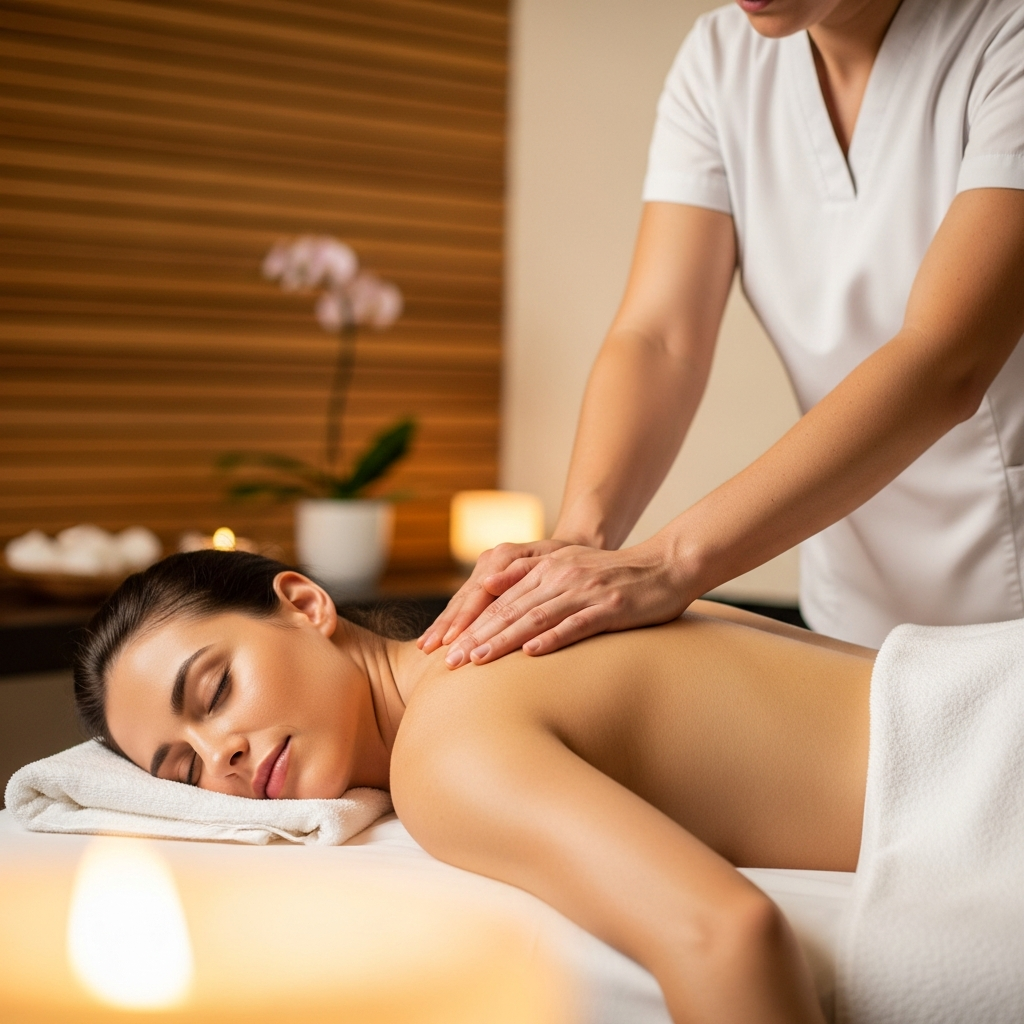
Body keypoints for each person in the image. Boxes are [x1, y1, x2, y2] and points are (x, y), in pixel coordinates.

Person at [421, 0, 1024, 666]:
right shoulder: (719, 60)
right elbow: (660, 337)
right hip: (851, 613)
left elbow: (945, 361)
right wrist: (580, 537)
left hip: (1008, 600)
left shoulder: (1005, 36)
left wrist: (668, 565)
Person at [77, 550, 876, 1024]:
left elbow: (726, 934)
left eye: (214, 692)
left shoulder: (445, 754)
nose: (222, 758)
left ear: (303, 603)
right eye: (183, 770)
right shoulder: (541, 605)